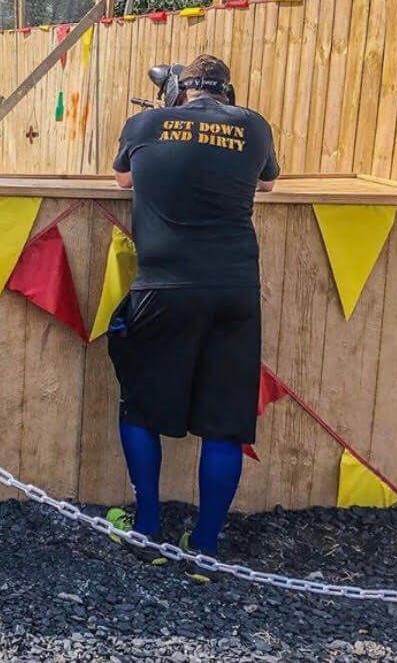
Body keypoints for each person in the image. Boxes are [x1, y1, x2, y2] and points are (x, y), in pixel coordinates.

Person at [105, 53, 279, 580]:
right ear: (227, 91)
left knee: (141, 409)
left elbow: (121, 182)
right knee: (224, 425)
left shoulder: (146, 123)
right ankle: (204, 550)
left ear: (178, 89)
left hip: (163, 286)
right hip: (234, 289)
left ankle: (148, 531)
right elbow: (267, 185)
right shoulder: (252, 126)